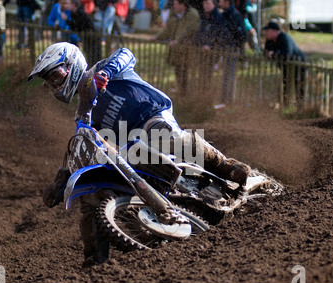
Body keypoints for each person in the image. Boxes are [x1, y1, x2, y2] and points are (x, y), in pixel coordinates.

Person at [27, 43, 251, 266]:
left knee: (164, 135)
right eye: (49, 82)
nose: (53, 84)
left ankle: (225, 165)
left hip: (151, 115)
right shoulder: (84, 110)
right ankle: (95, 257)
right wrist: (64, 176)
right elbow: (83, 144)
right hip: (130, 148)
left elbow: (127, 54)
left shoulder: (104, 69)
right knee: (93, 196)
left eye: (55, 76)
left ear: (71, 65)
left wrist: (106, 72)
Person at [153, 0, 200, 94]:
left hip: (188, 51)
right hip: (177, 51)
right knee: (178, 71)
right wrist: (156, 37)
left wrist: (177, 40)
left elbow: (188, 30)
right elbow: (168, 30)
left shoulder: (192, 15)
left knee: (186, 72)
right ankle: (181, 92)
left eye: (176, 4)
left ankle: (187, 94)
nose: (174, 6)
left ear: (183, 4)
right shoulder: (174, 15)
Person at [263, 20, 306, 107]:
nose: (266, 33)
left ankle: (300, 107)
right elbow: (266, 52)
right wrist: (271, 54)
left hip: (299, 65)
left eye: (268, 31)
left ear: (275, 31)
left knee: (299, 87)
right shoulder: (270, 41)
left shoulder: (285, 38)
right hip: (286, 67)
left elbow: (287, 55)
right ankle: (286, 106)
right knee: (285, 86)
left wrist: (273, 54)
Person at [217, 0, 247, 106]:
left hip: (233, 51)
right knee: (225, 76)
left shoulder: (235, 15)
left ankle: (229, 100)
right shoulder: (224, 15)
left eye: (221, 1)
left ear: (227, 2)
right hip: (224, 50)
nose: (219, 3)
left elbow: (243, 35)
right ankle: (224, 100)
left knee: (230, 76)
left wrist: (234, 43)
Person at [196, 0, 230, 88]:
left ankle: (209, 94)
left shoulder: (218, 17)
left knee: (209, 75)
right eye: (204, 3)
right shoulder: (204, 17)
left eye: (208, 3)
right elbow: (200, 32)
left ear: (213, 4)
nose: (206, 5)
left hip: (214, 52)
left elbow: (218, 33)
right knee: (202, 74)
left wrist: (210, 45)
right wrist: (201, 43)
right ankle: (202, 93)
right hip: (203, 51)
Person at [62, 0, 100, 66]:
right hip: (86, 37)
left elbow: (78, 26)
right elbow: (75, 28)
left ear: (74, 4)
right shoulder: (73, 13)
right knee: (88, 53)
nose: (67, 6)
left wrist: (67, 20)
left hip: (92, 37)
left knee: (94, 55)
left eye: (69, 4)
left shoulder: (80, 13)